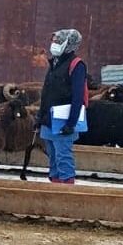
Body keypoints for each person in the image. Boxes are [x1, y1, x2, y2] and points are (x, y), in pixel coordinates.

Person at [38, 28, 88, 184]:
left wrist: (71, 123)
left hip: (63, 120)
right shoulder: (54, 63)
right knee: (53, 158)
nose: (54, 44)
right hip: (49, 120)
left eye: (58, 42)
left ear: (69, 44)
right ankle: (55, 189)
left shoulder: (76, 65)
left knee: (63, 158)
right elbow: (47, 92)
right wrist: (40, 116)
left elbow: (77, 96)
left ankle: (66, 193)